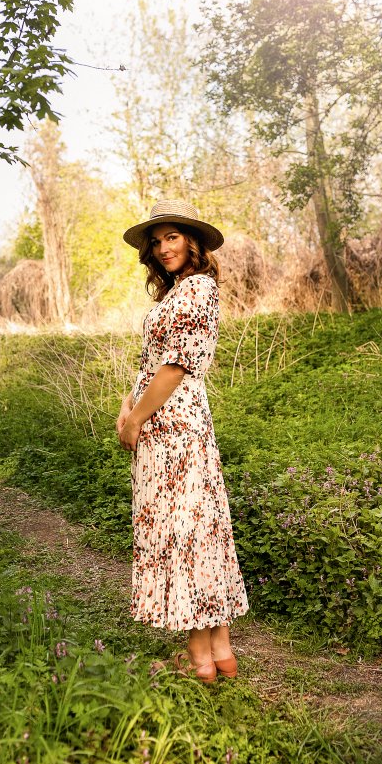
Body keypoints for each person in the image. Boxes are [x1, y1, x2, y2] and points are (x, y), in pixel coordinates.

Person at [117, 199, 249, 684]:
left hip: (175, 425)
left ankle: (199, 660)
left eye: (172, 236)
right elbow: (151, 360)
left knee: (184, 531)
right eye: (157, 240)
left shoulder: (196, 289)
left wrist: (136, 421)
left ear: (192, 242)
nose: (163, 247)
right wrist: (126, 406)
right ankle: (220, 650)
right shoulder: (174, 294)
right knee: (199, 528)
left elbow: (175, 367)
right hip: (163, 418)